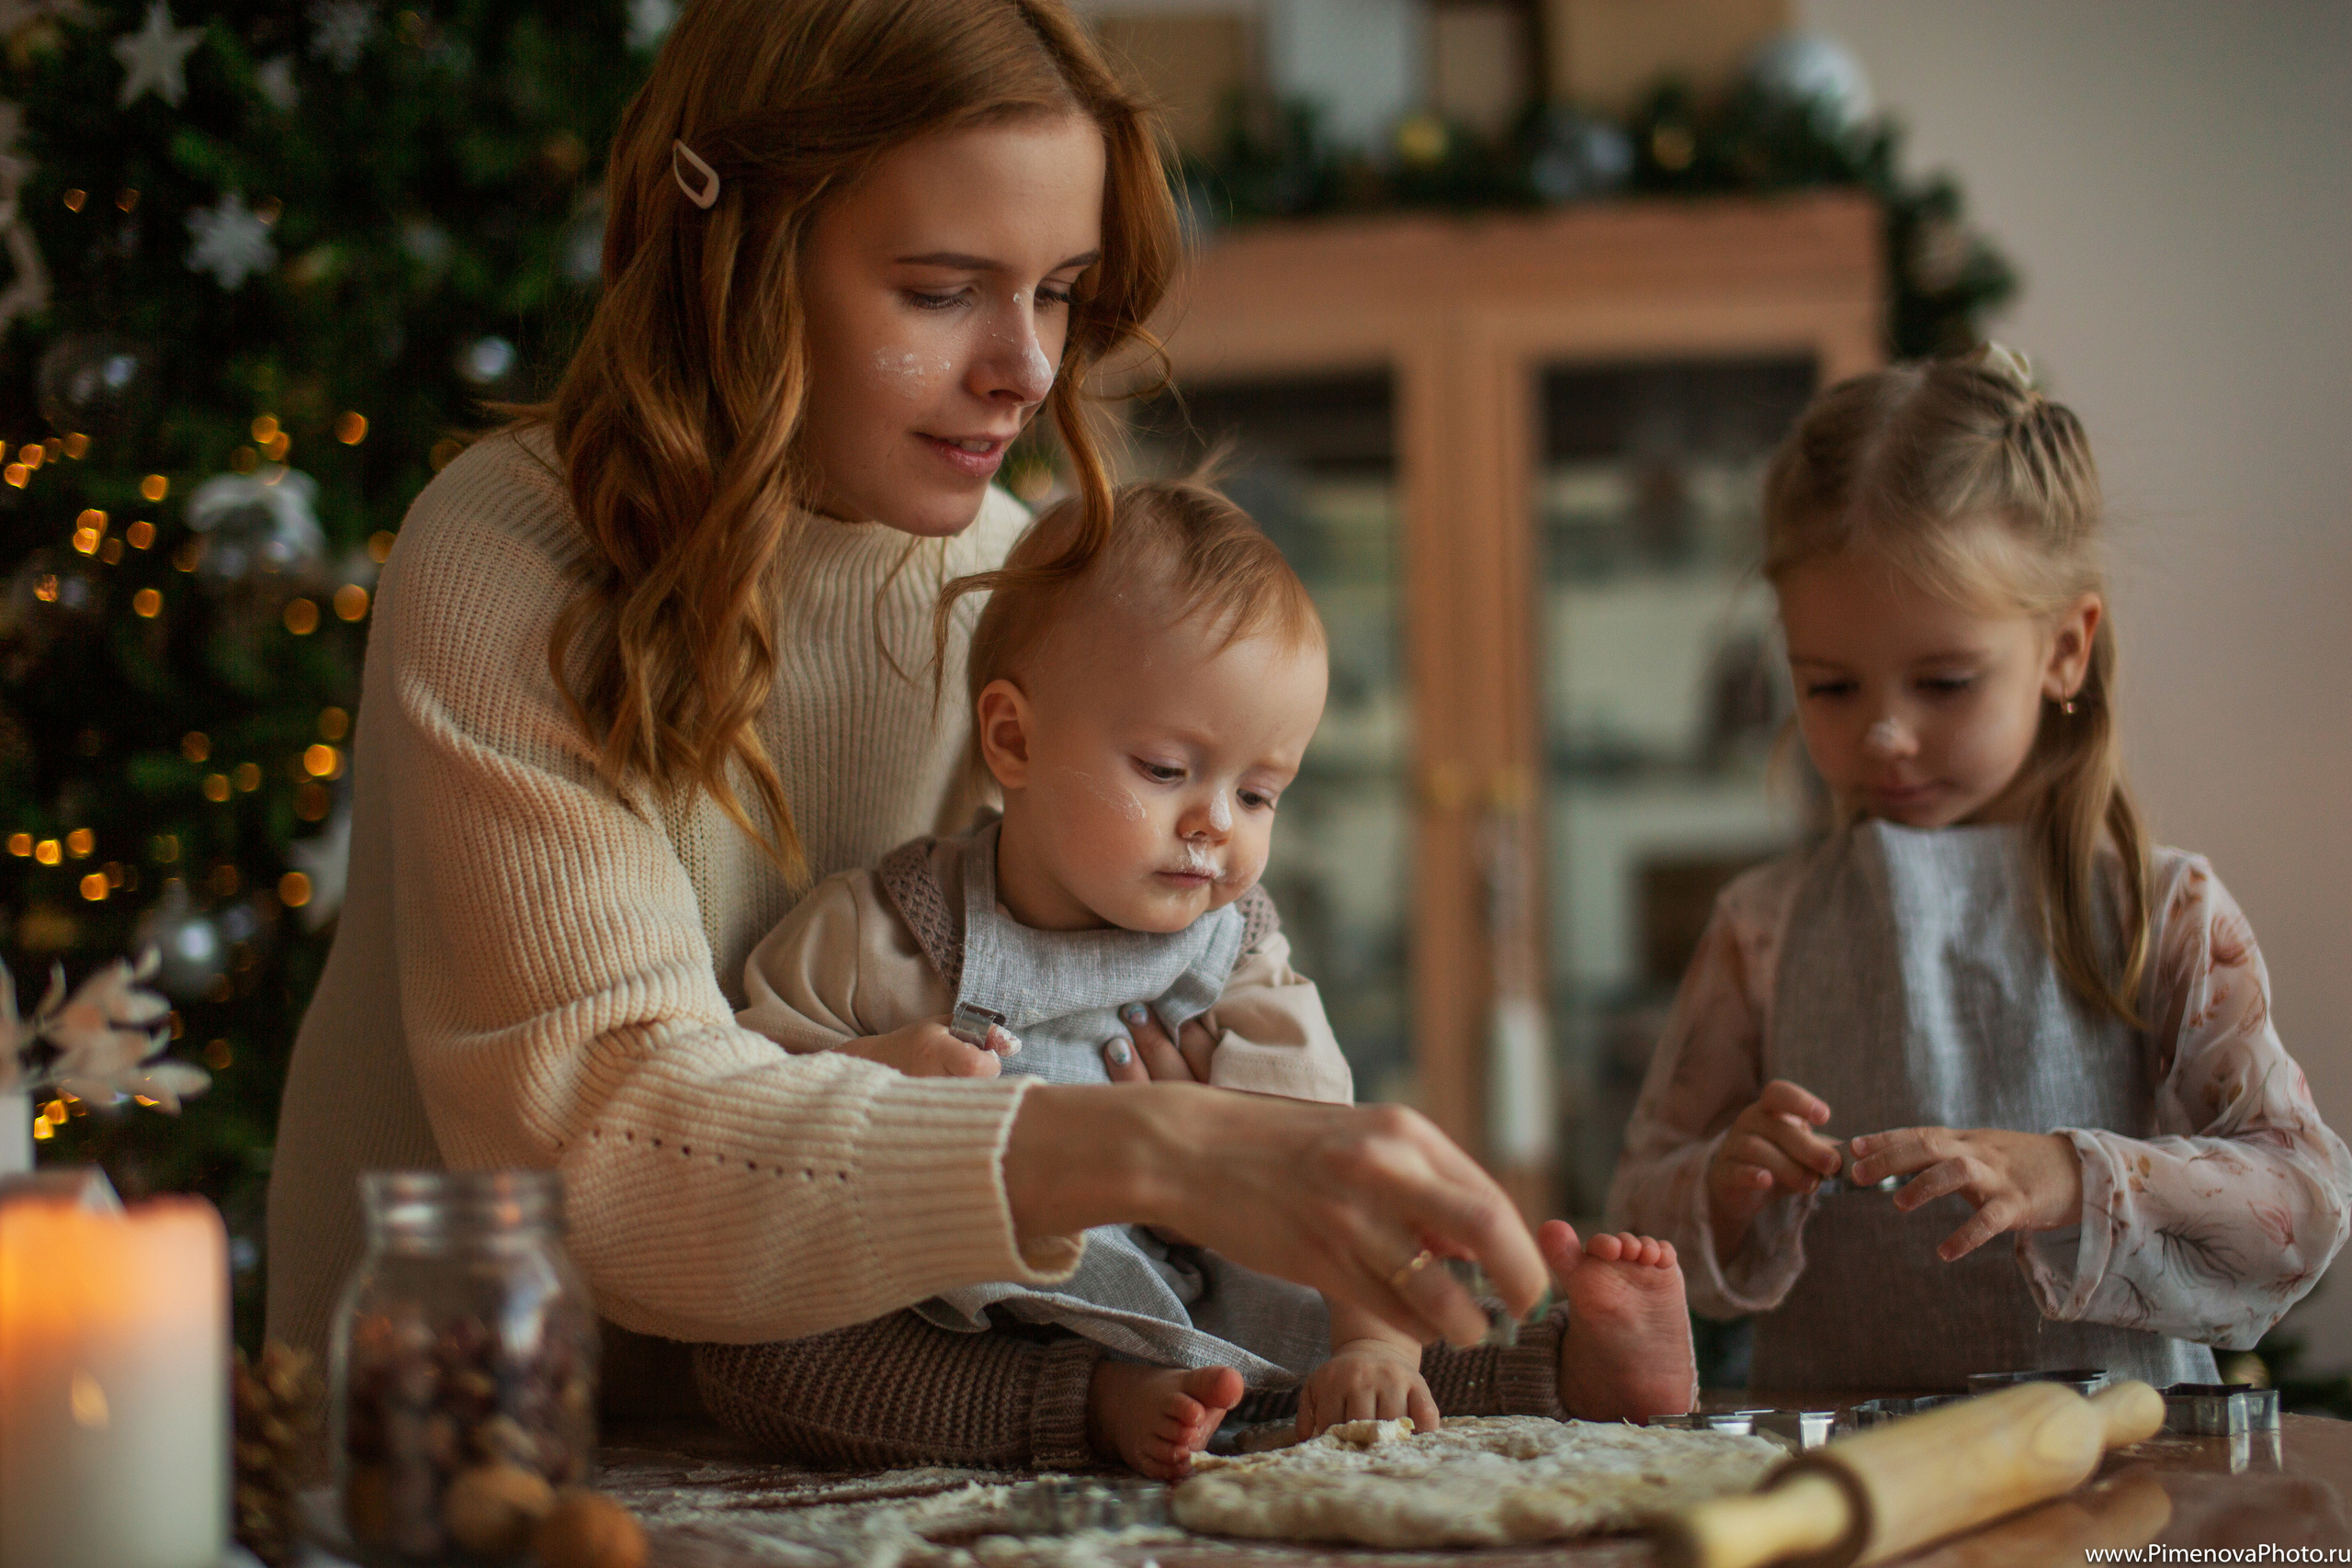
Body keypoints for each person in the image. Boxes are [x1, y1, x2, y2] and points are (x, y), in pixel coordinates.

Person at [264, 0, 1570, 1411]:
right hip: (460, 1435)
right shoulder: (509, 559)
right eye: (945, 289)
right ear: (741, 264)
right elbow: (608, 1143)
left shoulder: (1017, 577)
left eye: (1059, 287)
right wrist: (1153, 1146)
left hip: (842, 1437)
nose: (1028, 368)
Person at [695, 479, 1694, 1476]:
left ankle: (1568, 1367)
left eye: (1259, 792)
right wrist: (880, 1071)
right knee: (761, 1357)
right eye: (1168, 770)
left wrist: (1371, 1348)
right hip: (976, 1319)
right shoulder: (887, 928)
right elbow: (748, 1114)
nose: (1217, 822)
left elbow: (1333, 1168)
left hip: (1208, 1303)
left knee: (1372, 1348)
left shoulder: (1237, 951)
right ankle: (1093, 1406)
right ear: (1014, 739)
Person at [1608, 346, 2352, 1392]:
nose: (1884, 737)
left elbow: (2303, 1204)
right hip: (1845, 1513)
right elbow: (1638, 1200)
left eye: (1944, 682)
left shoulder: (2163, 913)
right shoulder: (1762, 928)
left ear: (2063, 649)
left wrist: (2070, 1176)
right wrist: (1723, 1187)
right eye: (1829, 687)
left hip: (2118, 1507)